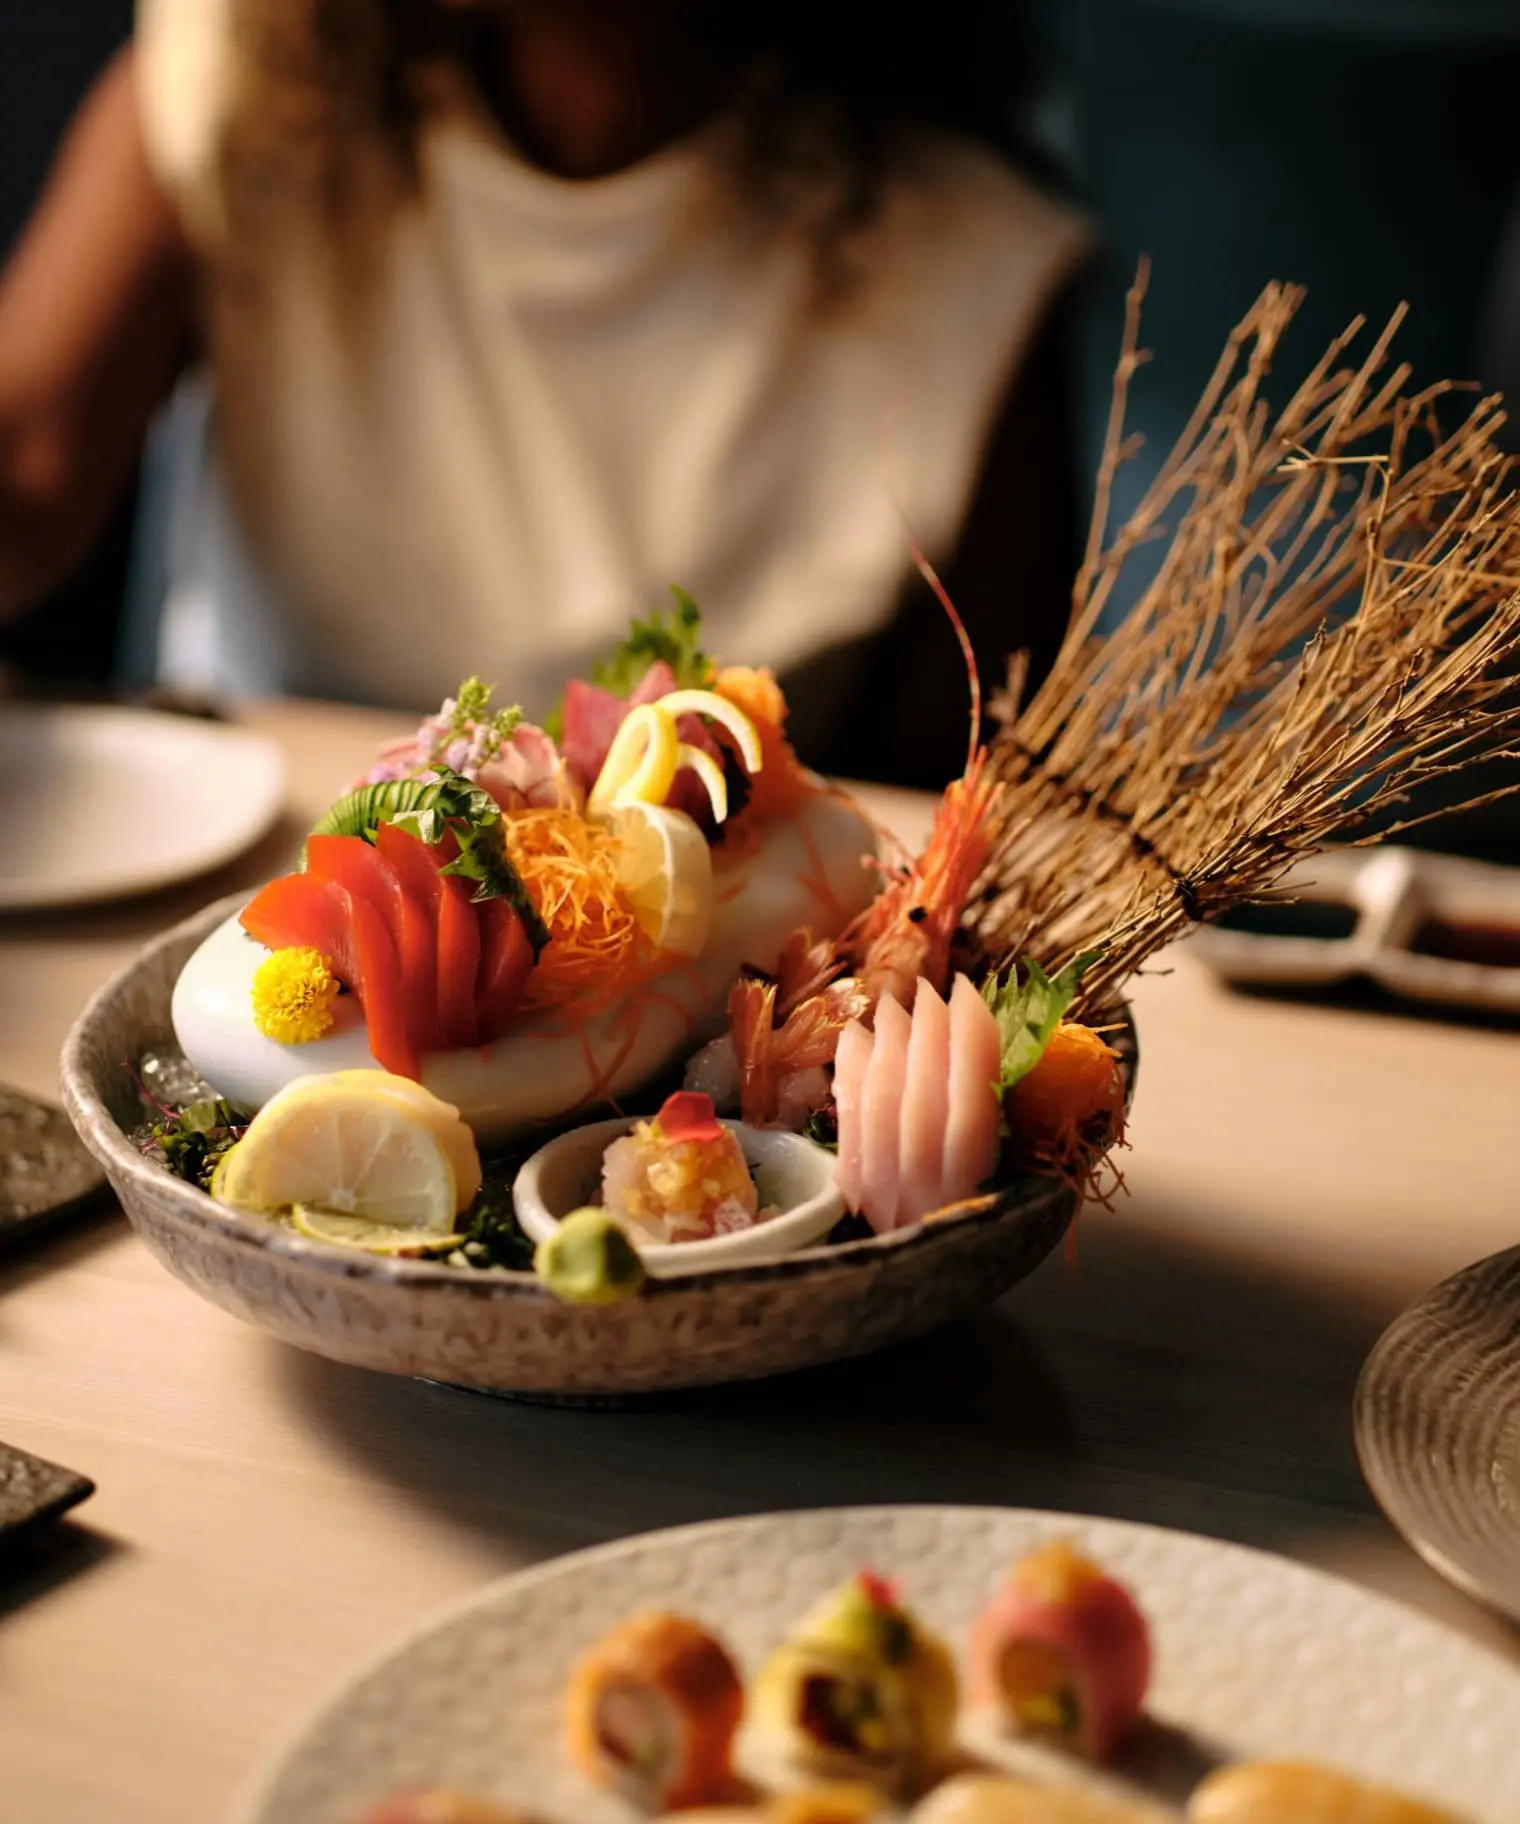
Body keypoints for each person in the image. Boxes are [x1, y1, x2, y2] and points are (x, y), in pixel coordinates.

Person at [0, 1, 1089, 786]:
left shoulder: (975, 280)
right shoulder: (243, 66)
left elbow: (944, 823)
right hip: (239, 890)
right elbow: (25, 470)